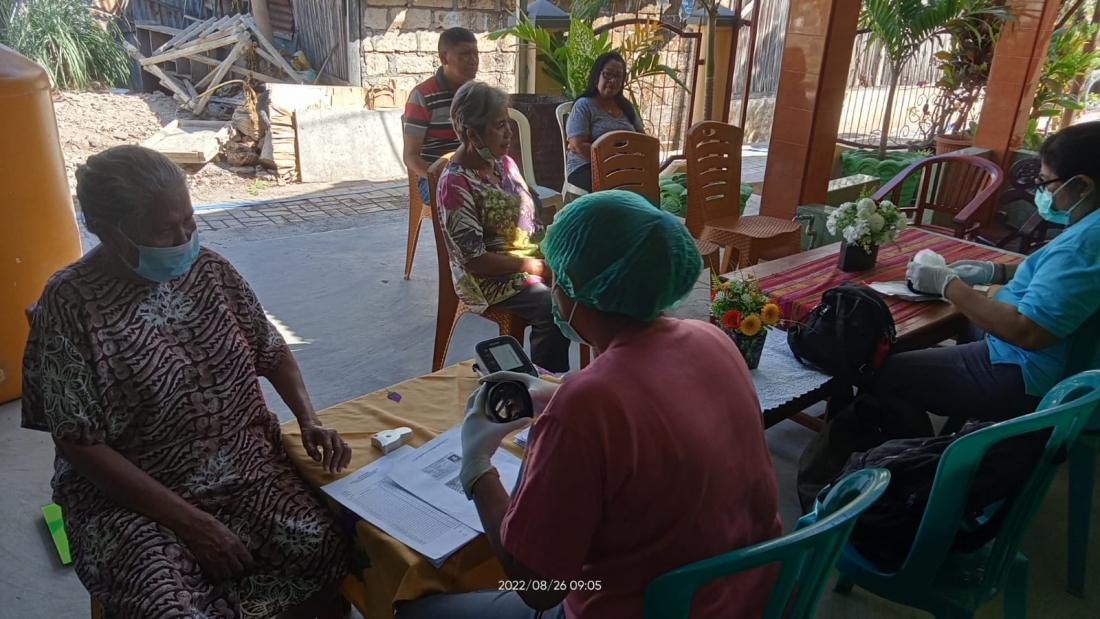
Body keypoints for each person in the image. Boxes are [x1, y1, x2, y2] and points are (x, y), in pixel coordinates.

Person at [395, 190, 782, 618]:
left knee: (413, 611)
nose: (552, 289)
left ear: (577, 288)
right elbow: (656, 409)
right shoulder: (713, 341)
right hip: (746, 596)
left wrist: (476, 467)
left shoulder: (588, 406)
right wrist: (560, 393)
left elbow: (540, 586)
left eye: (556, 277)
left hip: (642, 609)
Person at [21, 146, 353, 618]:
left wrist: (309, 418)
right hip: (132, 499)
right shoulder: (69, 304)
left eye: (189, 221)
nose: (184, 238)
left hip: (243, 468)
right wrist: (192, 523)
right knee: (169, 608)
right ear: (108, 232)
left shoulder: (211, 271)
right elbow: (80, 443)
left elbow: (271, 348)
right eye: (164, 229)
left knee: (327, 549)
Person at [890, 121, 1100, 433]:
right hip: (1052, 360)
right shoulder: (1090, 227)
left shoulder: (1085, 244)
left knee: (892, 374)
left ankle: (919, 458)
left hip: (1028, 372)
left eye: (1046, 183)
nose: (1043, 192)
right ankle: (962, 420)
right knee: (968, 323)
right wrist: (996, 271)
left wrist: (948, 284)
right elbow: (1059, 276)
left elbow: (1028, 332)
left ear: (1082, 186)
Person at [437, 81, 571, 372]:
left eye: (508, 123)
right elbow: (474, 260)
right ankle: (544, 384)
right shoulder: (455, 185)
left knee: (591, 278)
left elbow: (531, 215)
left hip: (529, 257)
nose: (509, 133)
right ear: (473, 134)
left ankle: (603, 373)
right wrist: (535, 267)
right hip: (490, 277)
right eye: (500, 126)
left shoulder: (504, 164)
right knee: (551, 307)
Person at [403, 27, 480, 204]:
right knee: (467, 199)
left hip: (473, 173)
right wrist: (443, 176)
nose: (473, 60)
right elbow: (411, 157)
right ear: (444, 58)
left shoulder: (478, 94)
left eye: (476, 54)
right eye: (465, 55)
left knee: (519, 196)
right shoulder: (423, 96)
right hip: (432, 177)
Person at [564, 52, 645, 193]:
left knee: (649, 186)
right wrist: (613, 159)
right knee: (616, 188)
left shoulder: (626, 107)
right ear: (597, 75)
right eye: (608, 74)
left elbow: (643, 140)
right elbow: (578, 146)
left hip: (623, 167)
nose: (613, 80)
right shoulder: (584, 105)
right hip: (586, 166)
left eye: (618, 76)